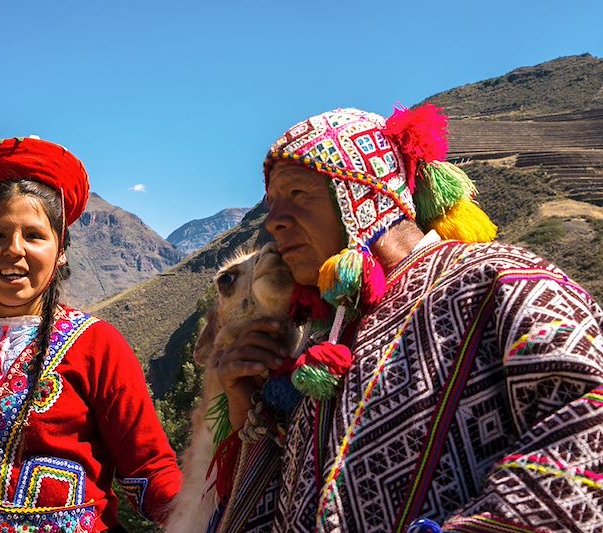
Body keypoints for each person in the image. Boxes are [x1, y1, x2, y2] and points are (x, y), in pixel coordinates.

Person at [210, 107, 603, 532]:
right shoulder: (328, 342)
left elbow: (587, 439)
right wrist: (249, 406)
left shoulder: (500, 281)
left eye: (297, 195)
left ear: (362, 197)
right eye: (272, 203)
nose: (273, 222)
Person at [0, 137, 181, 532]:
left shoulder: (97, 347)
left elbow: (151, 470)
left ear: (61, 251)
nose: (14, 250)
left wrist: (215, 512)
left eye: (34, 236)